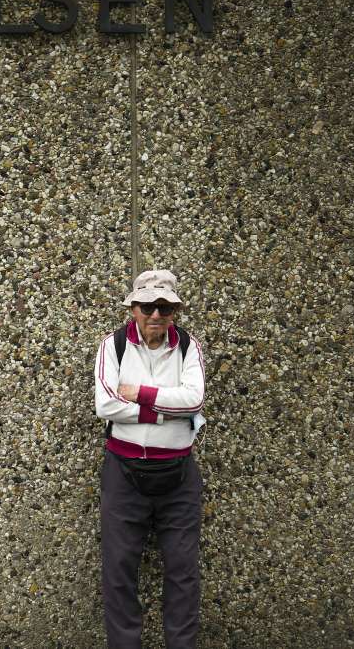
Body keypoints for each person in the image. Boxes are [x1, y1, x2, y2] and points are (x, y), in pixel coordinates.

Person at [94, 269, 206, 648]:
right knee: (120, 572)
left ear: (174, 310)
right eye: (147, 306)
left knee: (183, 572)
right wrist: (165, 407)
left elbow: (194, 400)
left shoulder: (189, 347)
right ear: (133, 309)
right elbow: (106, 404)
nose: (156, 315)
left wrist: (138, 392)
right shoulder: (113, 346)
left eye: (165, 307)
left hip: (178, 477)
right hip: (123, 474)